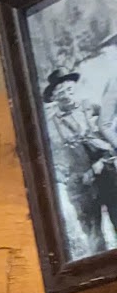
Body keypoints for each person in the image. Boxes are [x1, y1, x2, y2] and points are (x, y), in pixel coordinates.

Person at [45, 67, 117, 253]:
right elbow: (52, 162)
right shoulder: (49, 127)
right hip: (81, 186)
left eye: (69, 89)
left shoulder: (91, 108)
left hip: (107, 175)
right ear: (53, 97)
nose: (66, 95)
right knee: (94, 235)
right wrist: (72, 176)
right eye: (60, 93)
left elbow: (111, 134)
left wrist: (104, 160)